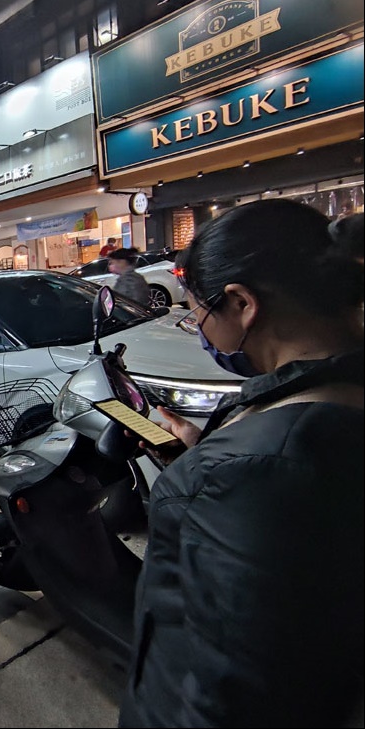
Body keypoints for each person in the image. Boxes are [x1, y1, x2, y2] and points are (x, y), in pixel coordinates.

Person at [118, 199, 364, 727]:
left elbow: (230, 691)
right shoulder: (330, 392)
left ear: (242, 304)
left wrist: (211, 471)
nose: (196, 327)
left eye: (198, 312)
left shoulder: (260, 468)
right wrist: (196, 455)